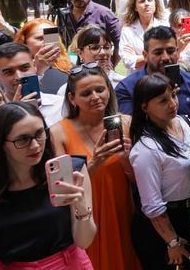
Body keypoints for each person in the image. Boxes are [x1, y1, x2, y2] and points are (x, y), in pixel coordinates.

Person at [0, 102, 97, 267]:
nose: (35, 145)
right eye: (23, 139)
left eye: (40, 133)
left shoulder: (71, 172)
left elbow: (84, 241)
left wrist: (81, 207)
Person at [49, 65, 138, 269]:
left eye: (100, 89)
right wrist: (94, 163)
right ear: (72, 99)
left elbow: (138, 181)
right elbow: (62, 192)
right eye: (86, 93)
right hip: (86, 216)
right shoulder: (58, 133)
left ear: (109, 89)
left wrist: (126, 160)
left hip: (122, 210)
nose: (95, 97)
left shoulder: (126, 123)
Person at [128, 73, 190, 269]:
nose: (173, 103)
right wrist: (172, 242)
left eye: (174, 95)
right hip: (161, 227)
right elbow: (152, 205)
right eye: (163, 101)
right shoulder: (146, 149)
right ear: (145, 107)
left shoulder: (183, 123)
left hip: (189, 212)